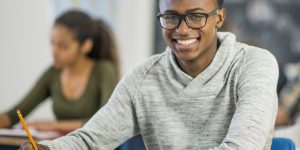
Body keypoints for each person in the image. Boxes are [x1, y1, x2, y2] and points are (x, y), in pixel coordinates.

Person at [21, 0, 279, 149]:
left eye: (196, 17)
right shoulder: (143, 77)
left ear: (219, 18)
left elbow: (243, 147)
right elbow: (92, 139)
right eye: (170, 17)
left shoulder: (254, 64)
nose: (182, 29)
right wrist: (46, 148)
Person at [0, 10, 119, 134]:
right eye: (52, 43)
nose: (54, 52)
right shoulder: (52, 74)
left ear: (86, 46)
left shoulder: (103, 70)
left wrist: (53, 125)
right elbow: (15, 114)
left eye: (63, 46)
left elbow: (107, 120)